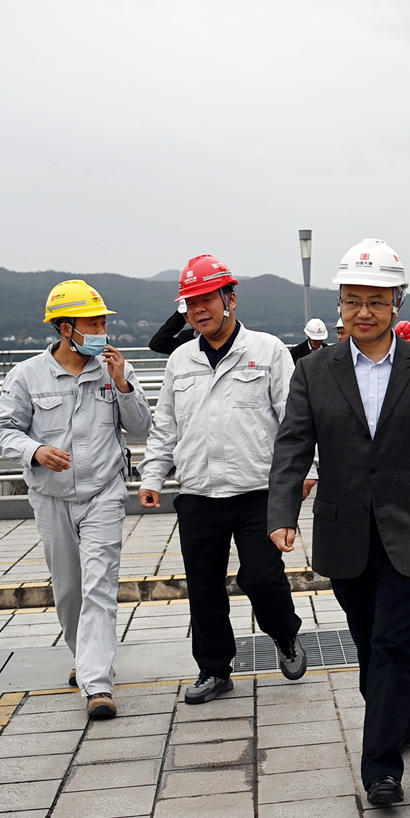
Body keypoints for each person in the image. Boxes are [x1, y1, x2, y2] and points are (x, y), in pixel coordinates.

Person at [268, 238, 410, 807]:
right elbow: (292, 445)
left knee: (393, 644)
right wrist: (281, 512)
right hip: (345, 530)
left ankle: (381, 768)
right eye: (353, 300)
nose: (364, 311)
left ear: (396, 303)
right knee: (370, 646)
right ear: (340, 303)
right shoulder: (313, 371)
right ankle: (404, 715)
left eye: (376, 301)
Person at [139, 255, 308, 705]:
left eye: (207, 299)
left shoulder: (267, 351)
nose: (199, 310)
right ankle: (214, 670)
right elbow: (165, 425)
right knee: (204, 588)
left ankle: (284, 633)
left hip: (258, 491)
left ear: (230, 299)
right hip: (198, 492)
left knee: (262, 577)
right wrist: (152, 475)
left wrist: (307, 471)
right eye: (190, 303)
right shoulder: (181, 360)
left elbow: (295, 419)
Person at [0, 280, 152, 720]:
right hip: (51, 498)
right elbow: (2, 431)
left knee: (100, 586)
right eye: (93, 324)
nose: (102, 331)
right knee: (68, 591)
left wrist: (123, 385)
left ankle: (98, 683)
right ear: (66, 329)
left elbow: (142, 427)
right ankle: (84, 657)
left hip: (104, 493)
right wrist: (35, 451)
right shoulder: (27, 375)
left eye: (103, 323)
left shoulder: (115, 368)